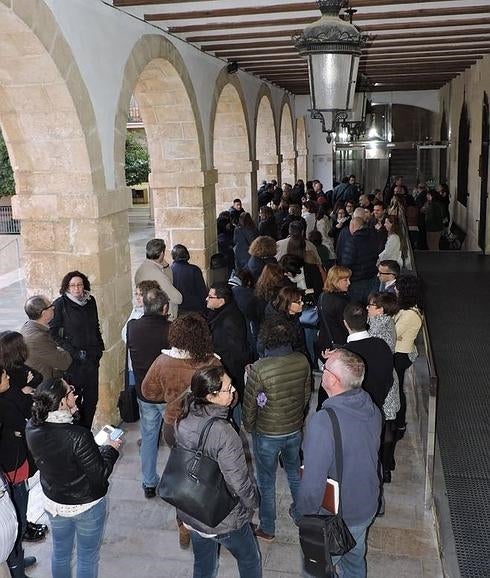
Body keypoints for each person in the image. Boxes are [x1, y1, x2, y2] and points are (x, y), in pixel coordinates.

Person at [298, 348, 382, 578]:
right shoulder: (372, 408)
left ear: (332, 380)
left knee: (315, 570)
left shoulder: (323, 422)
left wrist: (304, 516)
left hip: (337, 516)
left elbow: (313, 482)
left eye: (325, 367)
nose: (322, 369)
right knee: (355, 561)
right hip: (365, 505)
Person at [26, 378, 121, 578]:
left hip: (54, 503)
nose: (75, 395)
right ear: (61, 402)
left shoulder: (32, 427)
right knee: (87, 556)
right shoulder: (78, 435)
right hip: (86, 506)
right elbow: (100, 475)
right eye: (71, 392)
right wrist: (109, 450)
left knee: (60, 553)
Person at [141, 313, 221, 548]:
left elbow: (148, 392)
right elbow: (227, 397)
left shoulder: (162, 362)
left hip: (174, 426)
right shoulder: (212, 363)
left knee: (182, 477)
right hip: (206, 428)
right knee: (208, 474)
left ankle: (183, 525)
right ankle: (209, 520)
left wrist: (169, 397)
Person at [174, 366, 261, 578]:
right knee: (250, 559)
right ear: (210, 395)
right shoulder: (223, 432)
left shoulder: (183, 416)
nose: (233, 391)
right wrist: (253, 502)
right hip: (222, 518)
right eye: (228, 389)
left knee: (204, 563)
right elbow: (238, 481)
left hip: (192, 509)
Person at [243, 320, 311, 542]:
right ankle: (302, 515)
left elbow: (250, 405)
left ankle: (268, 527)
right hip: (293, 429)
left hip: (267, 433)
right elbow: (306, 394)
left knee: (266, 480)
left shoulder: (260, 368)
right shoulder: (302, 360)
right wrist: (297, 417)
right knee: (294, 472)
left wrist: (249, 426)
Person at [127, 288, 170, 498]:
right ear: (165, 308)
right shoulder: (171, 330)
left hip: (144, 392)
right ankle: (176, 480)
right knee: (176, 439)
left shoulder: (132, 328)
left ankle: (149, 482)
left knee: (149, 437)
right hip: (167, 394)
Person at [49, 270, 104, 429]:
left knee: (92, 399)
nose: (76, 289)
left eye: (79, 285)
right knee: (75, 401)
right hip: (74, 363)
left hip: (92, 359)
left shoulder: (90, 301)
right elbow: (53, 333)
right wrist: (73, 351)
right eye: (72, 285)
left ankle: (86, 432)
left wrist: (99, 347)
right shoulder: (60, 304)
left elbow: (95, 325)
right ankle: (78, 435)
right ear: (66, 287)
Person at [0, 363, 38, 578]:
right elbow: (22, 424)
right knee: (17, 517)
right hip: (11, 468)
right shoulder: (4, 404)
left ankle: (17, 559)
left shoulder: (7, 398)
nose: (7, 377)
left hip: (13, 466)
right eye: (4, 375)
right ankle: (17, 569)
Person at [366, 292, 401, 483]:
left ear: (380, 310)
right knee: (389, 423)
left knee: (381, 425)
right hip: (389, 377)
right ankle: (387, 465)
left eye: (371, 306)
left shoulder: (376, 328)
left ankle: (381, 465)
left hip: (380, 380)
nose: (367, 308)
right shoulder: (387, 323)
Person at [343, 303, 394, 412]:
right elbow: (389, 379)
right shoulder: (382, 344)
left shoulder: (344, 354)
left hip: (354, 412)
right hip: (378, 408)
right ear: (366, 320)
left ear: (345, 323)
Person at [206, 283, 249, 403]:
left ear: (221, 301)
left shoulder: (229, 320)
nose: (206, 299)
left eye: (210, 297)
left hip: (230, 368)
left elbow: (238, 346)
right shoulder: (219, 313)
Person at [393, 275, 423, 441]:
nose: (395, 289)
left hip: (400, 355)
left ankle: (400, 423)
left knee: (397, 391)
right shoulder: (407, 309)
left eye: (398, 287)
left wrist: (395, 335)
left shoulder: (410, 314)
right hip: (399, 351)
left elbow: (393, 333)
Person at [20, 296, 72, 380]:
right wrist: (60, 348)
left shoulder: (29, 326)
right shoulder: (38, 338)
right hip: (45, 384)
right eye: (51, 306)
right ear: (44, 313)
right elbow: (64, 362)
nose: (54, 307)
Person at [134, 238, 182, 321]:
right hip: (163, 317)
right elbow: (178, 298)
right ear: (162, 253)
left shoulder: (141, 268)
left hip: (148, 313)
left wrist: (166, 267)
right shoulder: (157, 275)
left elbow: (169, 282)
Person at [341, 218, 379, 305]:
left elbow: (346, 263)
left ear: (353, 226)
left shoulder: (352, 241)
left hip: (356, 281)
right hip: (372, 279)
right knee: (370, 305)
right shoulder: (373, 237)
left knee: (357, 308)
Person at [171, 244, 207, 315]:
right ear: (187, 255)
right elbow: (202, 291)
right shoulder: (194, 270)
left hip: (177, 309)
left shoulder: (169, 270)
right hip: (194, 309)